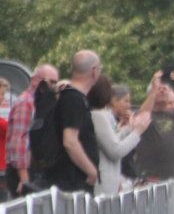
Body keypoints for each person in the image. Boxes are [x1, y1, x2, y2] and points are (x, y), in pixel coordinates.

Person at [133, 70, 174, 182]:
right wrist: (154, 91)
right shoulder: (146, 114)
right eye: (160, 88)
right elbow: (141, 116)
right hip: (149, 178)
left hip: (171, 178)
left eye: (166, 89)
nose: (163, 90)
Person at [50, 51, 103, 194]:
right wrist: (91, 170)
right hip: (72, 181)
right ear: (93, 71)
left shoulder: (75, 98)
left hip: (74, 179)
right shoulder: (73, 99)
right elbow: (70, 141)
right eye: (100, 69)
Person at [5, 63, 60, 198]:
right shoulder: (26, 102)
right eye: (49, 81)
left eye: (55, 82)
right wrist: (24, 179)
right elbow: (19, 140)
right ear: (35, 80)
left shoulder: (41, 103)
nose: (52, 86)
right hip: (23, 171)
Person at [90, 77, 151, 196]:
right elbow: (115, 150)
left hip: (112, 181)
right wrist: (137, 131)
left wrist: (129, 128)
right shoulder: (98, 116)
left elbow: (114, 139)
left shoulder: (103, 115)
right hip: (104, 183)